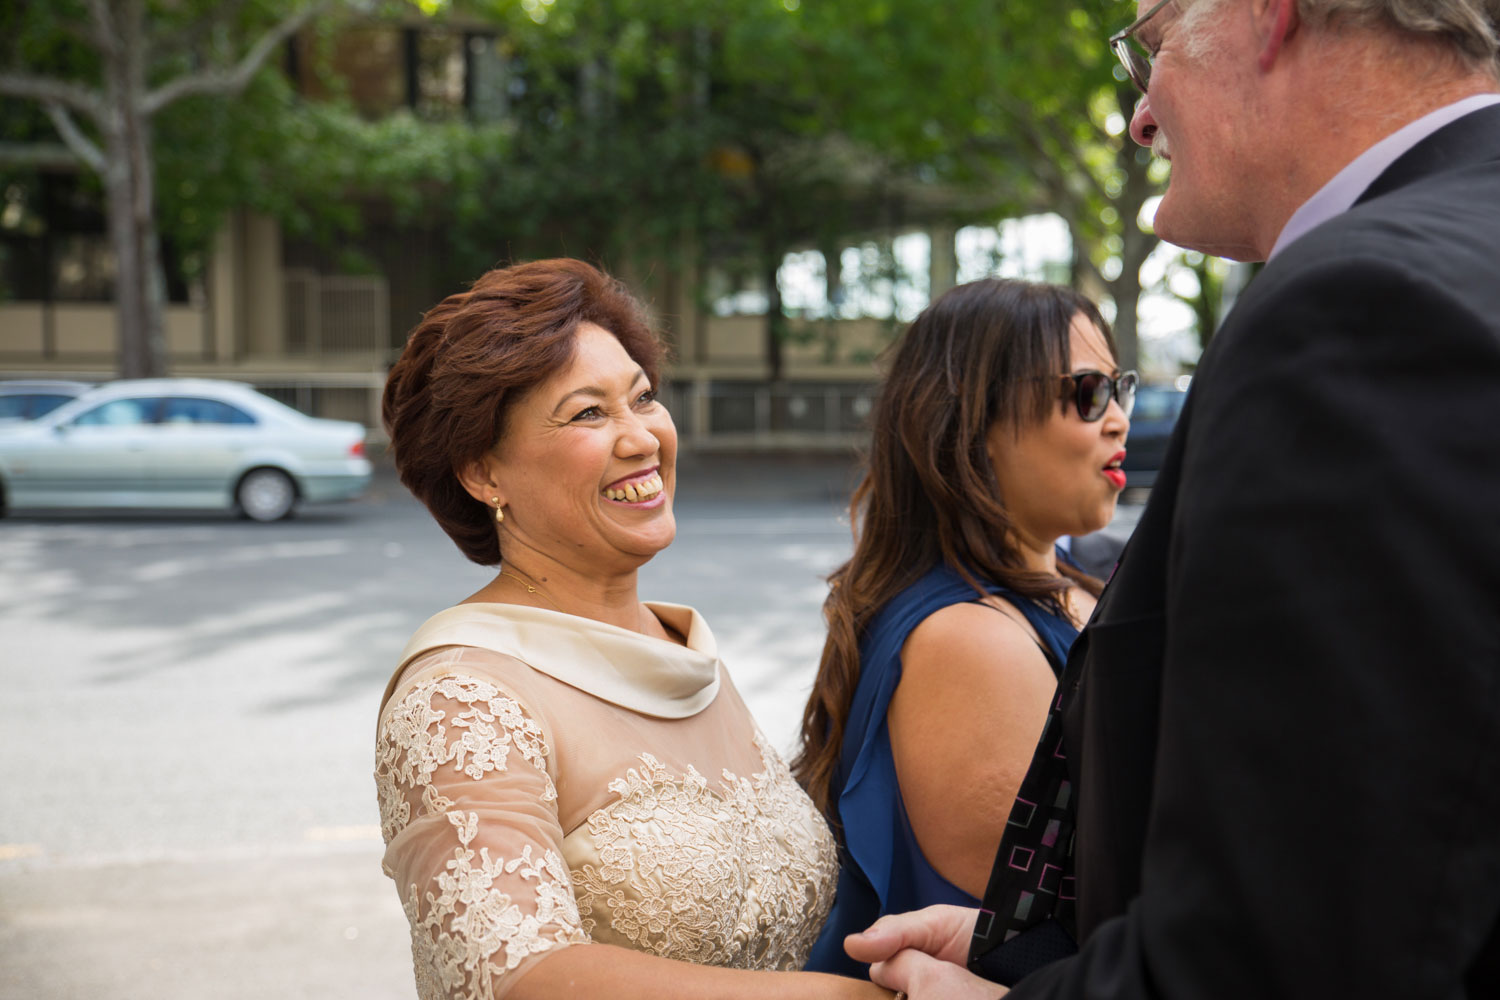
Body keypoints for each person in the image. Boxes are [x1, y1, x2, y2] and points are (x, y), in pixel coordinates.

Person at [847, 1, 1500, 997]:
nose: (1140, 119)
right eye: (1081, 392)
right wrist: (1033, 940)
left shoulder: (1360, 305)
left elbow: (1282, 951)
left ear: (1266, 14)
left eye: (1150, 46)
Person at [374, 258, 893, 1000]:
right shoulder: (460, 696)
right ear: (483, 473)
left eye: (644, 399)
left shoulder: (680, 649)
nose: (641, 438)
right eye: (589, 413)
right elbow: (520, 976)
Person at [794, 279, 1134, 978]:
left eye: (1119, 387)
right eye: (1088, 392)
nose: (1120, 418)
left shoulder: (1060, 586)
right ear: (973, 423)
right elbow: (1064, 930)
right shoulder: (972, 641)